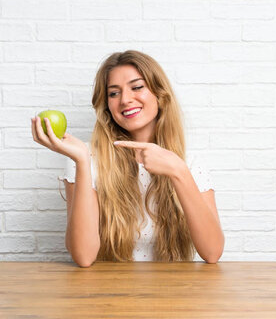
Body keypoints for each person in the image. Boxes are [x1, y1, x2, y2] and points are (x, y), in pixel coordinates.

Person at [30, 50, 224, 267]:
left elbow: (212, 252)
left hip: (172, 293)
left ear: (159, 94)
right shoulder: (87, 157)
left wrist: (178, 171)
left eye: (137, 87)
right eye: (114, 93)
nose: (125, 100)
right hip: (108, 294)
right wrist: (82, 163)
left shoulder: (189, 162)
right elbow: (84, 257)